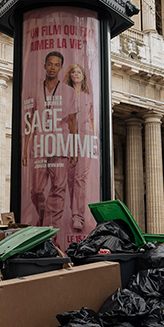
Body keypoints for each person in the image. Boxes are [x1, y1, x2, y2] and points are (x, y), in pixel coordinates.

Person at [22, 51, 78, 228]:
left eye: (56, 65)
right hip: (39, 145)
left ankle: (50, 227)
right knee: (36, 190)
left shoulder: (68, 92)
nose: (52, 68)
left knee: (59, 189)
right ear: (44, 66)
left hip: (61, 145)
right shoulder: (34, 90)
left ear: (61, 68)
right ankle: (46, 216)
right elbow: (29, 121)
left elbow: (72, 121)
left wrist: (74, 148)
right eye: (50, 64)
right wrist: (25, 149)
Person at [65, 63, 95, 232]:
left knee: (80, 178)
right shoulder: (66, 94)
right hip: (69, 137)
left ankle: (78, 216)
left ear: (83, 76)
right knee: (70, 177)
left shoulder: (88, 97)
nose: (76, 74)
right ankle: (72, 211)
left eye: (79, 72)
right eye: (73, 71)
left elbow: (92, 120)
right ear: (70, 76)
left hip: (85, 138)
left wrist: (94, 140)